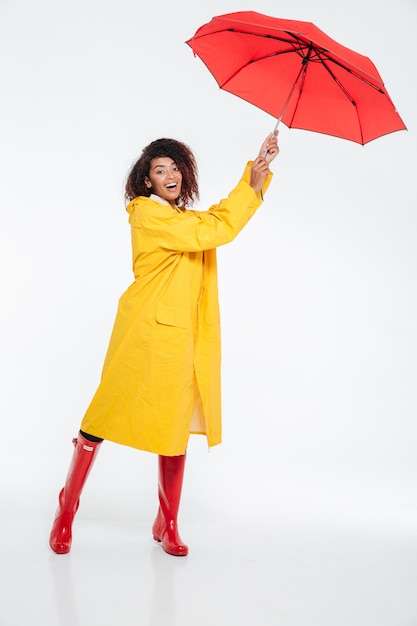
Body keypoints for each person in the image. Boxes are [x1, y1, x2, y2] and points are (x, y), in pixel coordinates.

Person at [49, 130, 279, 557]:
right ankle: (67, 507)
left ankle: (167, 520)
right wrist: (250, 185)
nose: (169, 174)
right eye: (160, 170)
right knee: (103, 414)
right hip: (140, 331)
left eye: (174, 167)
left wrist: (256, 172)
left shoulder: (183, 219)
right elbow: (213, 229)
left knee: (174, 426)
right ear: (147, 181)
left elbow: (210, 223)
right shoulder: (145, 213)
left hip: (178, 338)